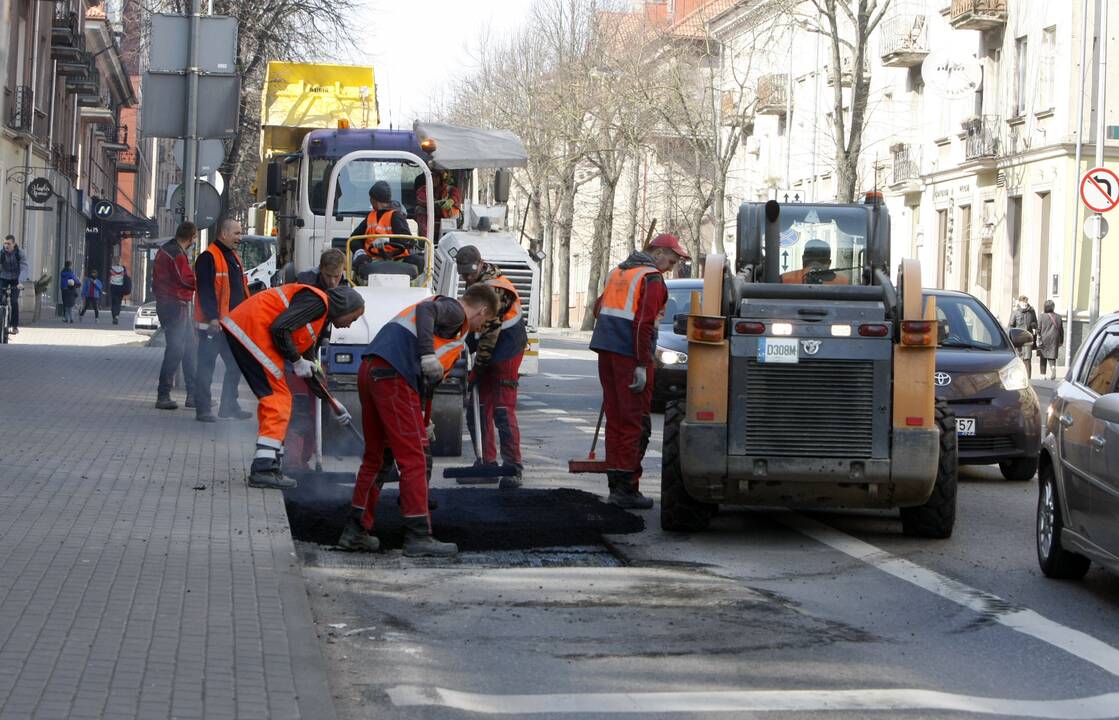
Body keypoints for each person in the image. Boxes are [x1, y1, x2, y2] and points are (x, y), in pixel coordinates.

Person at [341, 285, 498, 557]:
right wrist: (427, 355)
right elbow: (426, 312)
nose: (481, 327)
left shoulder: (445, 325)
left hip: (372, 370)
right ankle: (417, 536)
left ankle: (355, 531)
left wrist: (421, 422)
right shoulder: (454, 311)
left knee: (376, 458)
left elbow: (427, 381)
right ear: (482, 310)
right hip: (393, 377)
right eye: (485, 321)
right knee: (415, 458)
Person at [221, 283, 365, 489]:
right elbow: (279, 328)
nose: (351, 324)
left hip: (248, 329)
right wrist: (296, 360)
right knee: (277, 399)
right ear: (345, 307)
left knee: (279, 398)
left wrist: (332, 402)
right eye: (354, 317)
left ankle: (271, 463)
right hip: (252, 330)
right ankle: (263, 469)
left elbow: (309, 368)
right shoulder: (318, 303)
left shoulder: (318, 318)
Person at [590, 233, 689, 509]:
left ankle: (615, 485)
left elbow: (598, 309)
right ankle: (626, 488)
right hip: (629, 354)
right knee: (635, 422)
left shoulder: (620, 272)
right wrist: (642, 364)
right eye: (672, 258)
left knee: (617, 419)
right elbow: (644, 325)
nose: (672, 265)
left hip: (606, 350)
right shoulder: (652, 278)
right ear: (657, 252)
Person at [456, 245, 529, 489]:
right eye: (463, 274)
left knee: (501, 409)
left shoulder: (496, 289)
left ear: (480, 263)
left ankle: (512, 468)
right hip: (490, 349)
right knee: (478, 407)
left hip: (507, 350)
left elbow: (489, 334)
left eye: (469, 273)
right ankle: (487, 463)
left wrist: (477, 367)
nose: (466, 278)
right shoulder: (475, 283)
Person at [285, 247, 349, 468]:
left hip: (318, 349)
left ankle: (307, 457)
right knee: (298, 406)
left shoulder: (343, 285)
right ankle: (292, 460)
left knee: (317, 404)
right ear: (321, 270)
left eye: (337, 276)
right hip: (294, 350)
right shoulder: (305, 284)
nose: (333, 281)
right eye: (329, 276)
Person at [192, 218, 253, 423]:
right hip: (214, 326)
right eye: (236, 233)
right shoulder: (208, 257)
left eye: (240, 233)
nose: (240, 237)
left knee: (236, 365)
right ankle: (203, 408)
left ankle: (228, 405)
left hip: (231, 326)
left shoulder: (233, 256)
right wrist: (212, 318)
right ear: (224, 233)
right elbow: (206, 290)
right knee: (206, 367)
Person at [153, 222, 199, 410]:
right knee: (177, 349)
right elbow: (185, 279)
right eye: (195, 238)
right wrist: (203, 281)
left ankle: (193, 394)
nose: (194, 242)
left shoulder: (167, 250)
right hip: (174, 305)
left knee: (189, 348)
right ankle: (163, 395)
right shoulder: (177, 254)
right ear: (191, 237)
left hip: (169, 304)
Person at [350, 181, 423, 279]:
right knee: (358, 262)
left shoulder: (396, 216)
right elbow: (354, 239)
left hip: (398, 259)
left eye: (370, 198)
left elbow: (408, 241)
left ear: (374, 200)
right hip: (372, 259)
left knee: (419, 261)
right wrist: (360, 252)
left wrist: (388, 240)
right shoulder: (370, 217)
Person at [415, 169, 462, 239]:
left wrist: (452, 200)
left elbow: (456, 194)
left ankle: (450, 238)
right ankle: (426, 240)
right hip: (428, 220)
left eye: (436, 176)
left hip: (446, 221)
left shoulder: (449, 189)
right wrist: (436, 203)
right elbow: (421, 200)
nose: (434, 179)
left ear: (440, 178)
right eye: (432, 176)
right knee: (419, 209)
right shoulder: (422, 190)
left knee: (456, 213)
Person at [780, 240, 849, 285]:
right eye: (811, 260)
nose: (815, 265)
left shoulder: (784, 279)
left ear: (803, 259)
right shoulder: (843, 282)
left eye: (821, 261)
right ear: (828, 263)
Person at [1, 234, 29, 335]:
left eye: (8, 244)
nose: (6, 246)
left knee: (14, 301)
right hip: (3, 277)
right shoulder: (2, 253)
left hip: (16, 280)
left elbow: (24, 268)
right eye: (4, 243)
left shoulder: (19, 253)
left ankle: (14, 326)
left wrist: (20, 282)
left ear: (14, 244)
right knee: (0, 299)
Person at [1009, 295, 1038, 379]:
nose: (1025, 303)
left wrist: (1034, 326)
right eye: (1023, 302)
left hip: (1028, 339)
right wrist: (1011, 338)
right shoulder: (1015, 312)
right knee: (1019, 359)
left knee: (1028, 359)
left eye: (1026, 302)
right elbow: (1011, 325)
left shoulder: (1031, 311)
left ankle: (1028, 379)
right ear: (1020, 302)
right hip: (1018, 339)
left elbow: (1035, 323)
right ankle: (1018, 378)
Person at [1037, 299, 1064, 381]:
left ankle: (1043, 375)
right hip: (1054, 339)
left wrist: (1037, 337)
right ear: (1053, 307)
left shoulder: (1041, 316)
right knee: (1052, 356)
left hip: (1044, 338)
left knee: (1043, 357)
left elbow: (1039, 329)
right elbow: (1061, 330)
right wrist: (1061, 341)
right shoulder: (1058, 317)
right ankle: (1053, 368)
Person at [108, 258, 131, 325]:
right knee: (118, 303)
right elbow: (126, 277)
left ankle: (114, 317)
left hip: (113, 288)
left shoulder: (111, 269)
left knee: (113, 303)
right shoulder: (123, 269)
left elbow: (108, 277)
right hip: (121, 288)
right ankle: (117, 316)